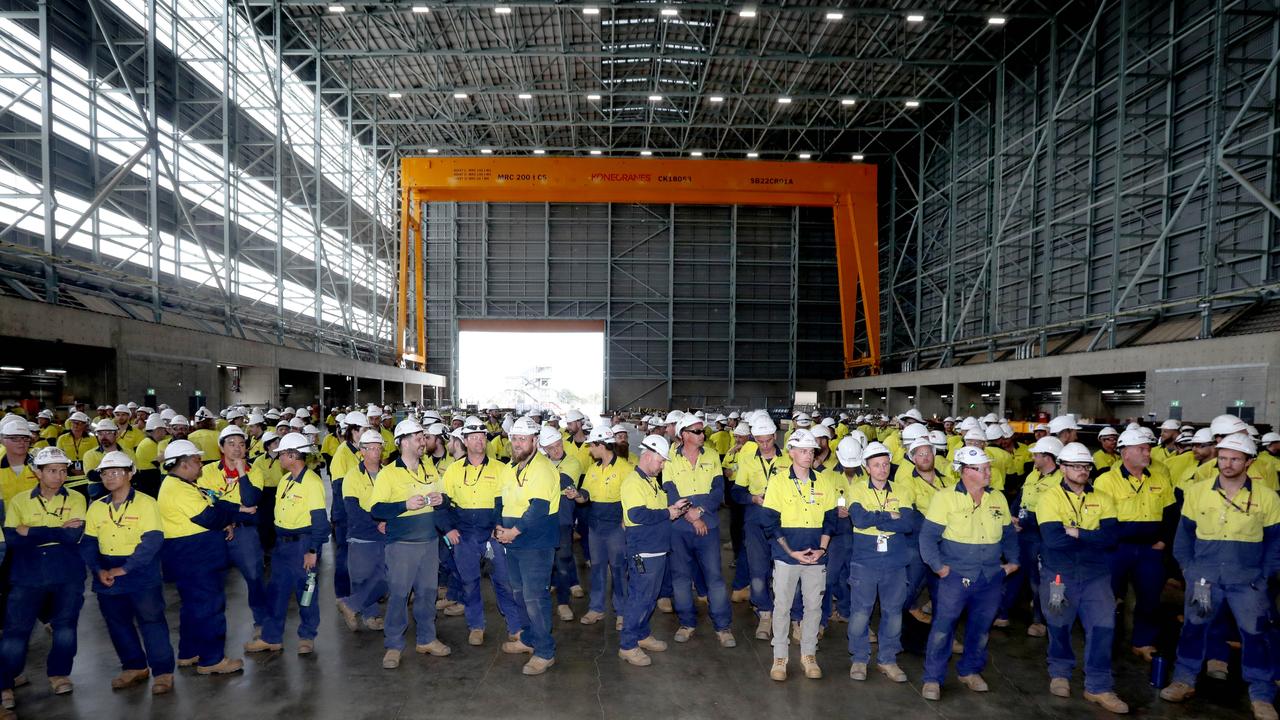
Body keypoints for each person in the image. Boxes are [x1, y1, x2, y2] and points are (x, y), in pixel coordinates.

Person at [1161, 434, 1280, 720]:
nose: (1227, 464)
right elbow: (1183, 536)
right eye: (1223, 457)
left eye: (1235, 458)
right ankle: (1184, 680)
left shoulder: (1267, 497)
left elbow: (1276, 542)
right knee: (1194, 627)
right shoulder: (1198, 492)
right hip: (1204, 580)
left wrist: (1264, 577)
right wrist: (1190, 571)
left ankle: (1261, 694)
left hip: (1247, 582)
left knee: (1255, 634)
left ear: (1249, 462)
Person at [918, 446, 1019, 701]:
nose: (988, 472)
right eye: (982, 468)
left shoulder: (997, 498)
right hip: (955, 575)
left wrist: (1014, 562)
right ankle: (932, 678)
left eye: (988, 467)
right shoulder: (946, 498)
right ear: (965, 471)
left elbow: (1007, 533)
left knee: (981, 627)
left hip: (990, 576)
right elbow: (928, 537)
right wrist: (939, 567)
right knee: (943, 628)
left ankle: (970, 670)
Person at [1033, 442, 1127, 712]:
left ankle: (1098, 686)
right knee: (1058, 624)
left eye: (1086, 466)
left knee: (1103, 628)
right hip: (1059, 575)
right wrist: (1091, 536)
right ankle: (1060, 671)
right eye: (1075, 466)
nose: (1082, 470)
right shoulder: (1049, 498)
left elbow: (1111, 538)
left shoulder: (1103, 498)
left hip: (1095, 576)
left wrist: (1075, 532)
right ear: (1062, 468)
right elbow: (1052, 540)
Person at [78, 450, 174, 695]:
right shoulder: (97, 507)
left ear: (130, 473)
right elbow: (88, 543)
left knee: (151, 621)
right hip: (106, 571)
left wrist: (125, 568)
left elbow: (152, 541)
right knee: (117, 623)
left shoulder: (146, 503)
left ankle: (162, 672)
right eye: (105, 473)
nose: (110, 477)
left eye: (116, 472)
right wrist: (99, 570)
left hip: (140, 569)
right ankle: (134, 666)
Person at [0, 447, 86, 708]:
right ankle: (5, 683)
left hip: (67, 572)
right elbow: (13, 539)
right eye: (52, 471)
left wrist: (32, 531)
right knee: (16, 631)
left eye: (63, 470)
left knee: (65, 628)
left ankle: (59, 674)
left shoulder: (76, 498)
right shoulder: (19, 501)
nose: (59, 476)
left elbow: (73, 537)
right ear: (37, 472)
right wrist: (56, 530)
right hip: (28, 574)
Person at [156, 439, 244, 675]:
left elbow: (213, 509)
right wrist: (227, 518)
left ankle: (189, 652)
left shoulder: (182, 485)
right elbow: (209, 517)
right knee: (209, 607)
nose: (201, 465)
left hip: (190, 556)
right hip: (196, 557)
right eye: (197, 461)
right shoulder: (179, 490)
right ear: (183, 465)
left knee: (193, 607)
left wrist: (222, 515)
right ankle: (211, 659)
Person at [370, 418, 452, 669]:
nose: (423, 441)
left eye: (423, 437)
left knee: (427, 594)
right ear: (403, 442)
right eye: (418, 438)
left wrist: (443, 499)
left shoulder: (429, 469)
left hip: (428, 543)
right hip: (402, 545)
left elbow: (445, 501)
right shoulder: (388, 473)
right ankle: (393, 645)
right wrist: (404, 505)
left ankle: (426, 638)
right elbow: (377, 509)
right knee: (399, 595)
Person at [1092, 428, 1176, 661]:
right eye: (1141, 449)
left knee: (1150, 597)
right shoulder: (1106, 481)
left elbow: (1170, 514)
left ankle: (1143, 641)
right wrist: (1112, 543)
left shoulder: (1159, 479)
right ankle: (1102, 641)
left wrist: (1163, 541)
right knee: (1106, 596)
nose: (1147, 452)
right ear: (1125, 452)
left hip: (1150, 549)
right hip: (1118, 549)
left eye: (1148, 448)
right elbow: (1100, 518)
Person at [761, 429, 837, 681]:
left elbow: (830, 520)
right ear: (791, 452)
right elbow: (770, 522)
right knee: (782, 606)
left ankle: (808, 654)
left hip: (816, 556)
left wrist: (822, 549)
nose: (808, 455)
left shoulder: (824, 482)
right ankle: (780, 657)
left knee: (814, 607)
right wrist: (791, 551)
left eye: (811, 451)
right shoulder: (779, 481)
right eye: (803, 451)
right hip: (786, 557)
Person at [440, 416, 522, 646]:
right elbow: (442, 504)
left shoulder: (500, 469)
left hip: (492, 535)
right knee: (469, 582)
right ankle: (476, 626)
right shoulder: (453, 471)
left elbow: (504, 502)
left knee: (503, 581)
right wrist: (448, 529)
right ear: (464, 441)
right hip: (464, 535)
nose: (478, 441)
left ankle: (515, 626)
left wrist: (497, 527)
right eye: (473, 437)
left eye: (482, 436)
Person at [245, 432, 328, 655]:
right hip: (282, 546)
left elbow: (320, 522)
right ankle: (271, 637)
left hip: (303, 545)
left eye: (282, 453)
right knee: (277, 591)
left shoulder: (311, 482)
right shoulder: (285, 480)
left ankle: (307, 636)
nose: (278, 457)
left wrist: (313, 550)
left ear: (293, 455)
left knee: (306, 592)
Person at [847, 440, 919, 683]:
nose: (882, 469)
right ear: (867, 467)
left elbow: (908, 523)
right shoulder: (856, 489)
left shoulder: (902, 490)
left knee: (893, 611)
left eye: (886, 464)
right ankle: (859, 657)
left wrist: (875, 518)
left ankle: (888, 659)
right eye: (876, 465)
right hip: (865, 559)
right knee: (860, 612)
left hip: (895, 560)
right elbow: (858, 519)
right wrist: (889, 515)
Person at [494, 416, 560, 675]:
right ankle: (530, 638)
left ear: (535, 441)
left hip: (535, 543)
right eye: (515, 438)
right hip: (514, 541)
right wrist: (498, 526)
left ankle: (545, 651)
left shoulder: (542, 468)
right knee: (520, 594)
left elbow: (539, 508)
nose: (519, 443)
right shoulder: (511, 467)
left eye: (524, 439)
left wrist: (513, 532)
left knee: (535, 597)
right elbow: (501, 500)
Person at [663, 415, 735, 647]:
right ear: (683, 434)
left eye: (702, 430)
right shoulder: (670, 459)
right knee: (681, 577)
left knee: (714, 576)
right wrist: (691, 516)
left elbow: (717, 489)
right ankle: (687, 623)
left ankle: (723, 627)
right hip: (680, 527)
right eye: (696, 431)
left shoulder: (712, 455)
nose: (702, 435)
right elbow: (670, 490)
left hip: (709, 525)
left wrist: (700, 511)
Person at [617, 435, 687, 666]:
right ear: (648, 456)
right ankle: (628, 645)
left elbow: (657, 511)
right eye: (661, 460)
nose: (663, 465)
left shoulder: (650, 481)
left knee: (649, 597)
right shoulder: (633, 482)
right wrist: (668, 512)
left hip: (656, 549)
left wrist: (673, 509)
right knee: (639, 597)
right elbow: (637, 515)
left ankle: (642, 633)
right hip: (643, 551)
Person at [199, 424, 269, 639]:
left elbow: (251, 501)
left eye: (241, 444)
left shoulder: (254, 471)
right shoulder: (207, 471)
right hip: (215, 531)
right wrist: (236, 511)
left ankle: (262, 622)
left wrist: (241, 472)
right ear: (221, 447)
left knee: (255, 577)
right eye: (231, 444)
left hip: (245, 533)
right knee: (213, 582)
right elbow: (207, 503)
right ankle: (213, 627)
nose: (237, 449)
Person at [733, 414, 792, 640]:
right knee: (758, 569)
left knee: (783, 569)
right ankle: (764, 614)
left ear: (775, 437)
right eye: (760, 441)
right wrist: (753, 498)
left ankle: (784, 615)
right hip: (756, 520)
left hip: (782, 520)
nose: (765, 445)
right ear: (754, 439)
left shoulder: (787, 460)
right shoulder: (748, 461)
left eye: (768, 440)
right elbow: (737, 492)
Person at [574, 424, 631, 628]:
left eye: (592, 446)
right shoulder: (593, 469)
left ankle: (622, 612)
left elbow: (631, 498)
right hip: (595, 525)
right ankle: (596, 609)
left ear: (601, 445)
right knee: (597, 569)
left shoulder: (625, 468)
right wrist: (577, 495)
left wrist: (626, 522)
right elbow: (585, 497)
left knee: (618, 569)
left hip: (616, 525)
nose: (589, 450)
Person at [335, 429, 388, 632]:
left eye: (378, 448)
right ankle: (370, 616)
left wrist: (387, 522)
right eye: (370, 448)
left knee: (385, 576)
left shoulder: (387, 473)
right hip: (362, 534)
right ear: (361, 451)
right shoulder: (352, 476)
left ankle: (350, 605)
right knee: (362, 578)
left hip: (385, 533)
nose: (375, 452)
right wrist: (377, 523)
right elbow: (353, 510)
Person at [540, 426, 584, 621]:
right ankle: (546, 594)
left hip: (562, 519)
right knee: (543, 562)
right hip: (541, 519)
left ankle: (564, 603)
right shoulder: (540, 463)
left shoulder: (572, 462)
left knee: (563, 561)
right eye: (551, 448)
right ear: (544, 449)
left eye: (558, 445)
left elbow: (564, 481)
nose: (556, 450)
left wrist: (541, 477)